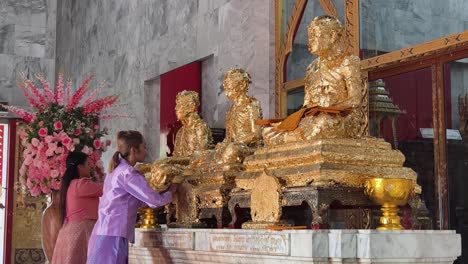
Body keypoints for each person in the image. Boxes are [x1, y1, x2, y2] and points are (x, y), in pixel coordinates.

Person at [262, 15, 366, 145]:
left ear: (332, 36)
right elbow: (307, 105)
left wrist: (329, 108)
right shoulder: (312, 68)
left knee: (323, 123)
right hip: (313, 119)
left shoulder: (348, 61)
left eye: (314, 36)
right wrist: (288, 122)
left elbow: (355, 99)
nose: (310, 41)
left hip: (341, 118)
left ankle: (289, 139)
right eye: (309, 37)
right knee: (268, 131)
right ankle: (294, 137)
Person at [87, 130, 177, 263]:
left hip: (105, 233)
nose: (146, 151)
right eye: (144, 147)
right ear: (134, 150)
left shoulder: (116, 170)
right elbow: (154, 200)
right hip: (113, 235)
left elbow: (130, 201)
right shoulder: (128, 173)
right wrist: (172, 190)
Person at [52, 151, 103, 264]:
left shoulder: (70, 184)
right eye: (88, 164)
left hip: (70, 232)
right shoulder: (81, 184)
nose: (91, 167)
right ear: (80, 167)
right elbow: (107, 189)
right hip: (80, 233)